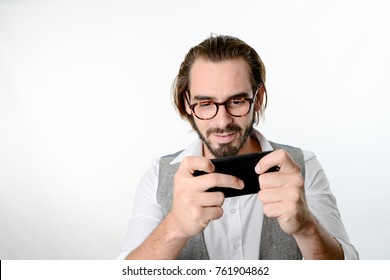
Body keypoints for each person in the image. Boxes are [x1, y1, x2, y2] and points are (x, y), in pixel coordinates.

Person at [118, 35, 359, 260]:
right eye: (205, 103)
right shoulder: (158, 176)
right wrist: (175, 227)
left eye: (237, 101)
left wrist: (306, 227)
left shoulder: (302, 165)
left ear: (259, 98)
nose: (222, 122)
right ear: (187, 102)